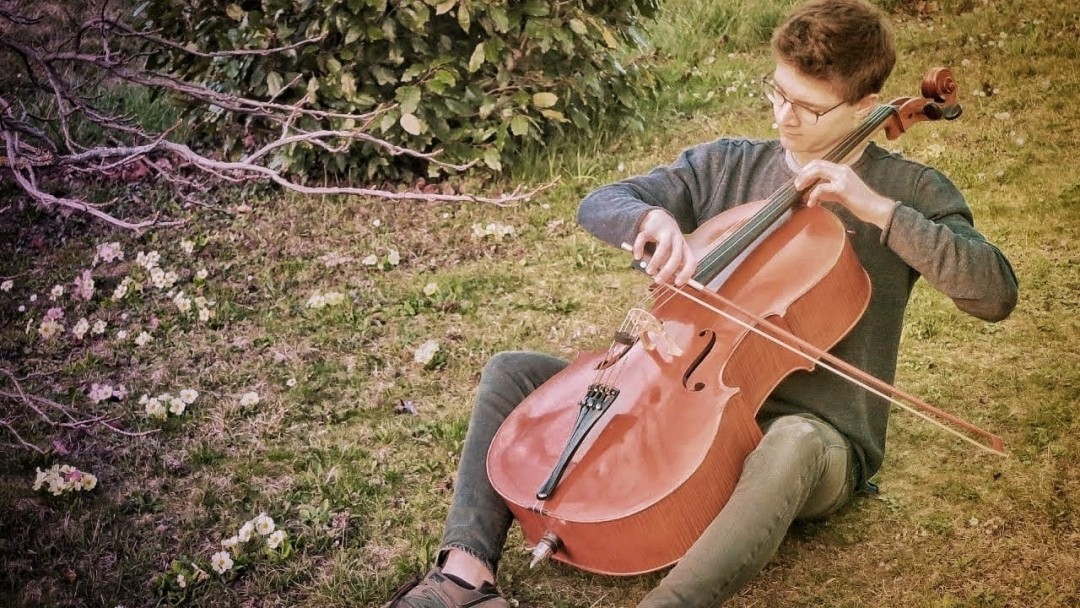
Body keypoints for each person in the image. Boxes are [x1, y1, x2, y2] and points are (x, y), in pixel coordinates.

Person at [381, 0, 1019, 606]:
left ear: (866, 105)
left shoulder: (909, 190)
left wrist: (876, 209)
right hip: (688, 398)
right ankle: (464, 571)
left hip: (812, 440)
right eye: (777, 92)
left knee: (789, 441)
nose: (783, 117)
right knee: (511, 372)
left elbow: (994, 293)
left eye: (808, 106)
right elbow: (601, 201)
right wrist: (649, 218)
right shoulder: (730, 166)